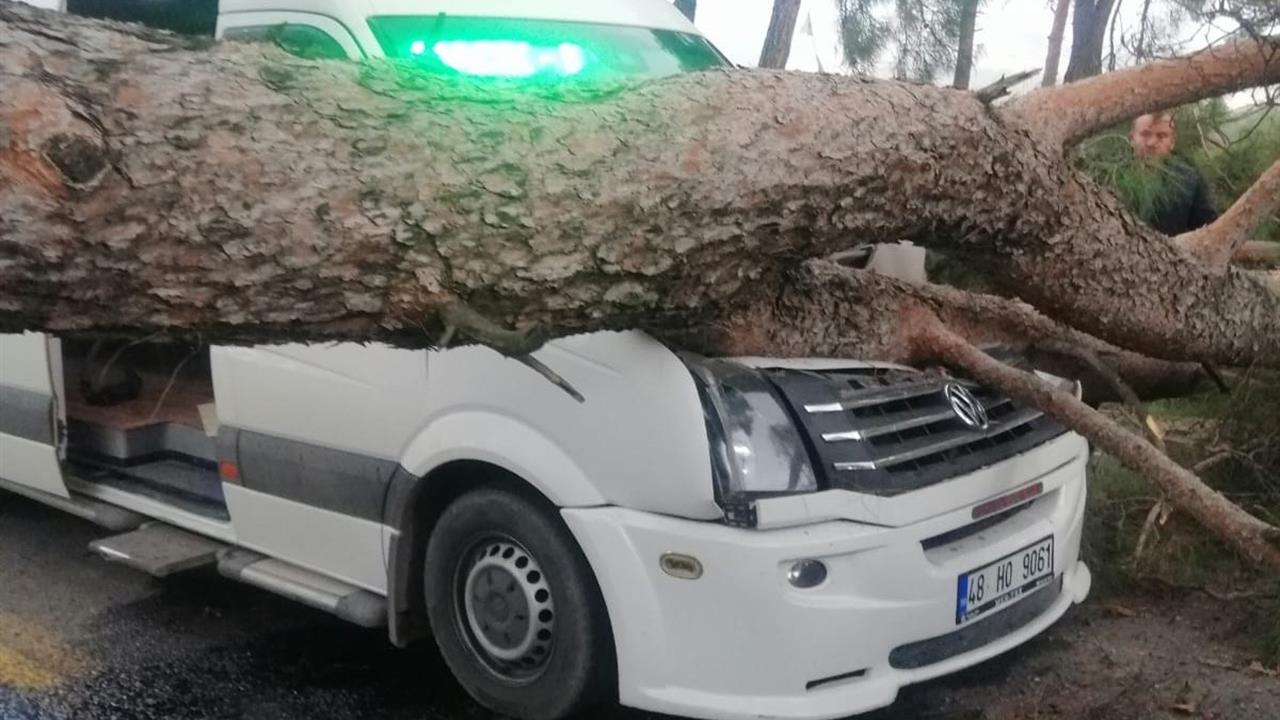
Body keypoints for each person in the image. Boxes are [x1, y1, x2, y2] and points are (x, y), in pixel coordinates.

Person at [1127, 112, 1218, 235]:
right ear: (1132, 138)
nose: (1151, 143)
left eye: (1161, 136)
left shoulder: (1189, 179)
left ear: (1172, 142)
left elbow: (1207, 228)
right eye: (1145, 134)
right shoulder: (1107, 178)